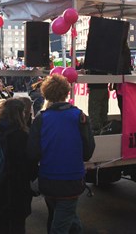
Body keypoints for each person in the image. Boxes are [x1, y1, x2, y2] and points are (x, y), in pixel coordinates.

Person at [27, 74, 95, 234]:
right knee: (62, 222)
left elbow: (32, 153)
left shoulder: (41, 118)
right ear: (66, 92)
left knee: (64, 217)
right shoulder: (80, 117)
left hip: (48, 179)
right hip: (72, 180)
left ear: (46, 93)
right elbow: (88, 152)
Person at [0, 98, 37, 233]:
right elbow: (30, 165)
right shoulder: (23, 135)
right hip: (16, 189)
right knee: (16, 225)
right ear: (20, 113)